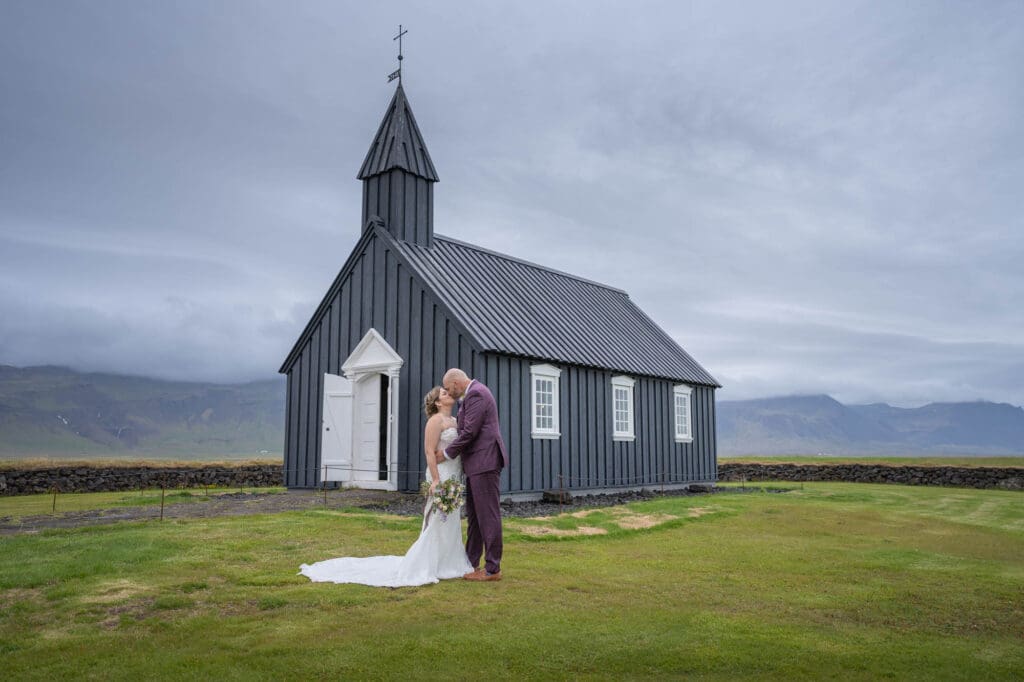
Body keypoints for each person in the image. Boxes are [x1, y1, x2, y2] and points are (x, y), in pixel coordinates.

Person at [298, 386, 473, 587]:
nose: (448, 393)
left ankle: (449, 562)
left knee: (450, 519)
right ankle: (427, 563)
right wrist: (435, 480)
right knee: (436, 519)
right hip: (441, 474)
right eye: (443, 393)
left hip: (453, 474)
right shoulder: (435, 421)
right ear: (438, 403)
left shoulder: (455, 421)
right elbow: (429, 452)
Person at [441, 368, 509, 582]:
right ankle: (471, 564)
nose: (450, 394)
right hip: (476, 464)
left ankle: (492, 569)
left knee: (488, 516)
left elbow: (470, 431)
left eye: (450, 389)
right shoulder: (471, 395)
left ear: (456, 382)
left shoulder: (477, 393)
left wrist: (446, 453)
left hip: (485, 462)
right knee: (475, 517)